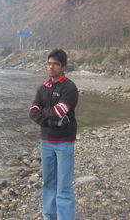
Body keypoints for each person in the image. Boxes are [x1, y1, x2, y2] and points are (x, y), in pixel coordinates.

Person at [29, 49, 79, 220]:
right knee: (48, 182)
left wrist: (43, 112)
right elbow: (32, 111)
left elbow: (60, 111)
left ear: (63, 67)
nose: (51, 67)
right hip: (46, 142)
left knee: (64, 186)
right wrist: (47, 118)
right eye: (49, 63)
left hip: (64, 142)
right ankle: (49, 216)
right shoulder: (43, 88)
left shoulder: (69, 88)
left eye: (55, 64)